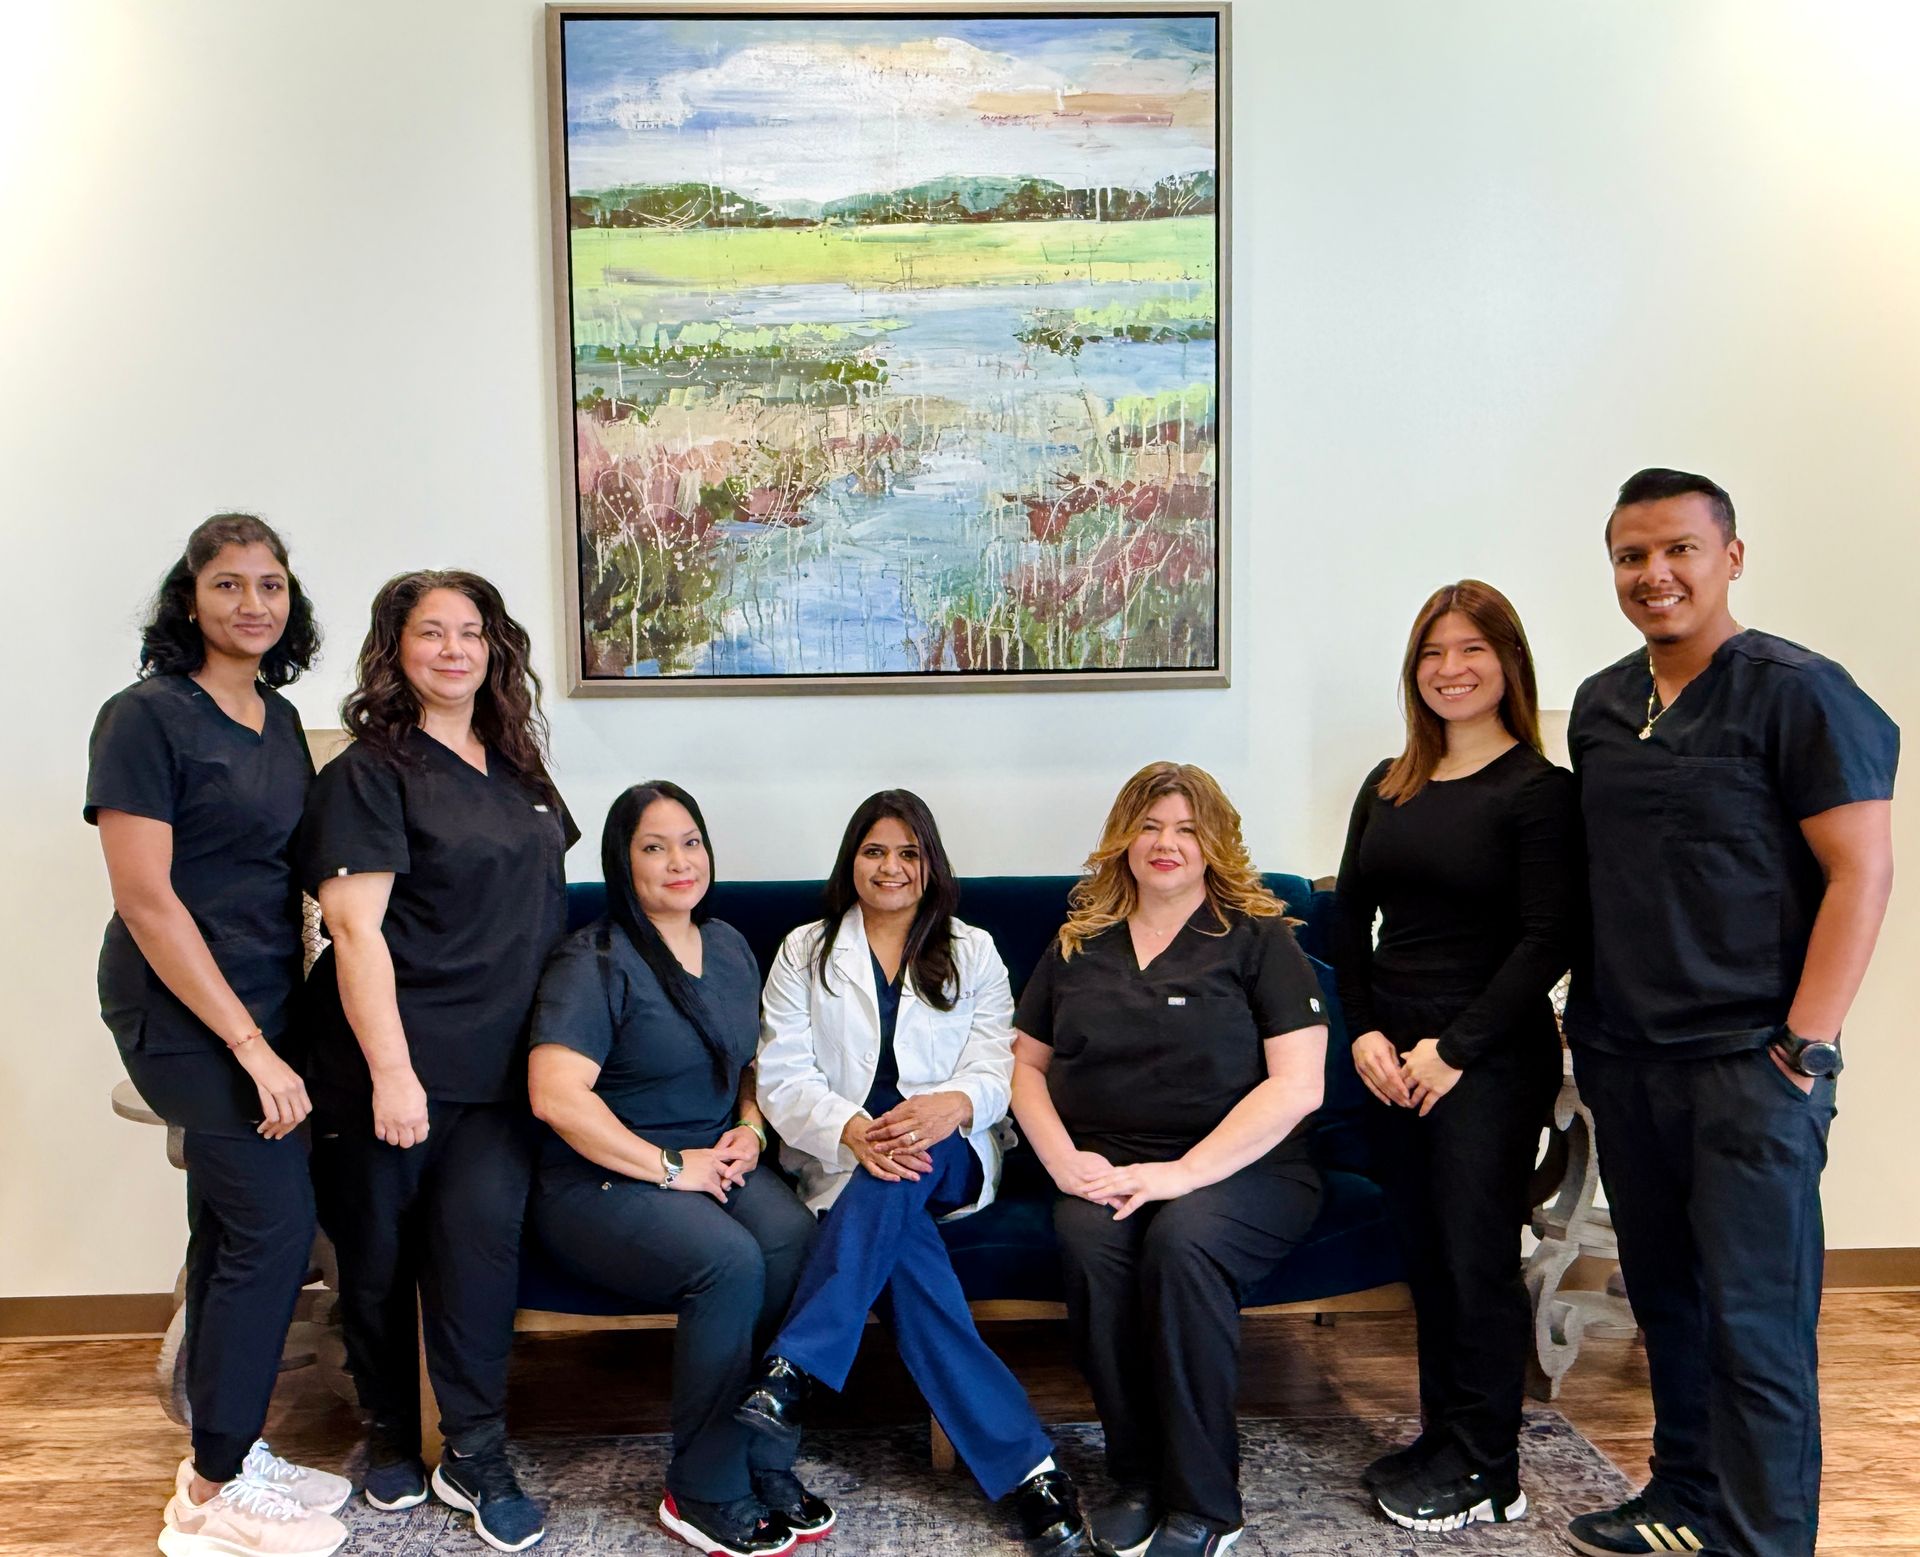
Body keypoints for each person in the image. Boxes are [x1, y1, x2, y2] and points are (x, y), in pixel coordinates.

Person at [1562, 469, 1897, 1557]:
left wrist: (1804, 1044)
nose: (1654, 575)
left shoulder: (1803, 693)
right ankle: (1682, 1498)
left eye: (1679, 551)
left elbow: (1863, 875)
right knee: (1669, 1305)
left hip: (1749, 1066)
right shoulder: (1604, 706)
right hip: (1627, 1056)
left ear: (1731, 557)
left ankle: (1764, 1540)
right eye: (1630, 556)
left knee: (1758, 1330)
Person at [736, 790, 1109, 1557]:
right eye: (875, 850)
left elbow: (995, 1064)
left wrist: (950, 1105)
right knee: (909, 1260)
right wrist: (848, 1129)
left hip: (950, 1148)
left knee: (913, 1156)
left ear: (931, 863)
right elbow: (779, 1072)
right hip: (845, 1154)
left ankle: (794, 1366)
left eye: (909, 852)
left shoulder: (971, 949)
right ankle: (1032, 1473)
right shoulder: (805, 950)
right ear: (852, 862)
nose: (892, 867)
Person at [86, 514, 350, 1557]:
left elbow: (294, 879)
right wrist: (250, 1046)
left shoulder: (280, 721)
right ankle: (207, 1497)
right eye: (231, 584)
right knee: (274, 1231)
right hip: (180, 1010)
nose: (254, 604)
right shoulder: (143, 718)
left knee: (227, 1229)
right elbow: (148, 902)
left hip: (266, 998)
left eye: (272, 585)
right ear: (188, 598)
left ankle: (228, 1448)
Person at [299, 570, 577, 1554]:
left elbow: (546, 915)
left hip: (501, 1076)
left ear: (495, 649)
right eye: (432, 633)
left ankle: (475, 1447)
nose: (454, 649)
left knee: (477, 1257)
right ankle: (385, 1432)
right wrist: (392, 1074)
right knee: (375, 1266)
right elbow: (354, 931)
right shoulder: (371, 771)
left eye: (472, 633)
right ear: (396, 648)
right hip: (391, 1071)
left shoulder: (518, 766)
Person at [1009, 763, 1329, 1557]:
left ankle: (1205, 1501)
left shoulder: (1261, 939)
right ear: (1124, 838)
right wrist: (1060, 1160)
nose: (1166, 843)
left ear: (1215, 841)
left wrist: (1183, 1174)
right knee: (1087, 1242)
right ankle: (1138, 1475)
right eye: (1150, 825)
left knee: (1182, 1241)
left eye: (1187, 828)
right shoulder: (1078, 942)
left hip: (1245, 1169)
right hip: (1107, 1166)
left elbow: (1300, 1085)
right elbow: (1023, 1068)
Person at [1332, 580, 1580, 1532]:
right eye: (1433, 653)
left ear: (1508, 662)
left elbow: (1547, 937)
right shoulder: (1387, 784)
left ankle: (1491, 1466)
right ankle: (1446, 1434)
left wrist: (1456, 1050)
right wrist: (1362, 1031)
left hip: (1484, 1062)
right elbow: (1349, 916)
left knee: (1476, 1258)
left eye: (1471, 649)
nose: (1451, 669)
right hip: (1389, 1057)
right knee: (1426, 1258)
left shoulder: (1539, 793)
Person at [527, 782, 828, 1557]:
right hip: (600, 1178)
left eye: (689, 840)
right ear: (623, 862)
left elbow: (752, 1065)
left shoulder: (726, 944)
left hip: (713, 1160)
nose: (677, 861)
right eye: (653, 846)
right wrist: (669, 1167)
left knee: (792, 1234)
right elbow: (555, 1095)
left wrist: (751, 1130)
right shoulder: (591, 958)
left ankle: (765, 1460)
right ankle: (701, 1485)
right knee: (726, 1261)